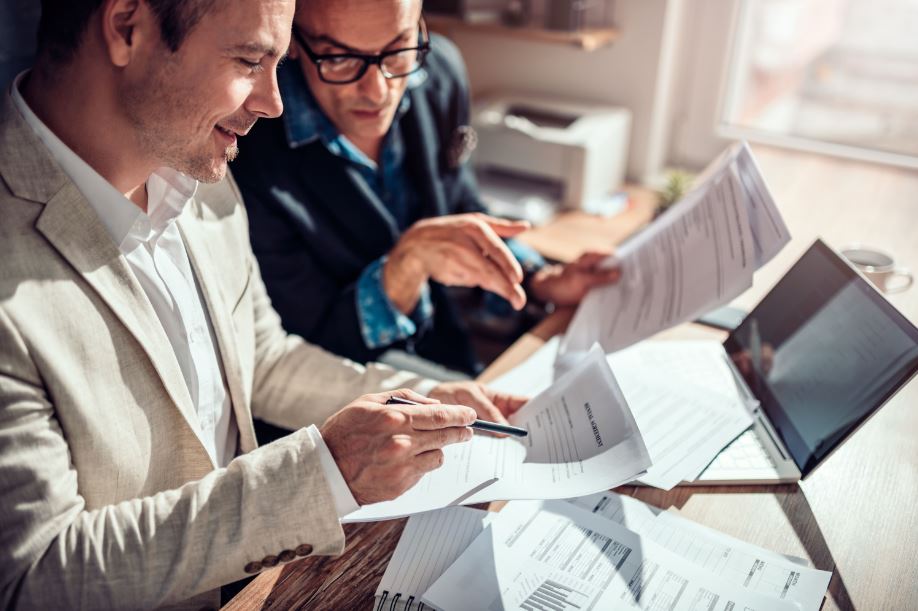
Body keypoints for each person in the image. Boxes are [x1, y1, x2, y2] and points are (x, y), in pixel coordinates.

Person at [0, 1, 527, 608]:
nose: (274, 103)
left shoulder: (199, 175)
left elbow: (264, 359)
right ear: (126, 28)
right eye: (251, 60)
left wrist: (416, 398)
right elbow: (34, 577)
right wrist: (319, 479)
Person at [232, 0, 621, 377]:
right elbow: (298, 353)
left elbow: (459, 208)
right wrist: (403, 269)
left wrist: (540, 279)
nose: (378, 90)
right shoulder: (246, 142)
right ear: (293, 43)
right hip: (345, 388)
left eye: (397, 49)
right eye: (339, 58)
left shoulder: (440, 71)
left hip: (448, 349)